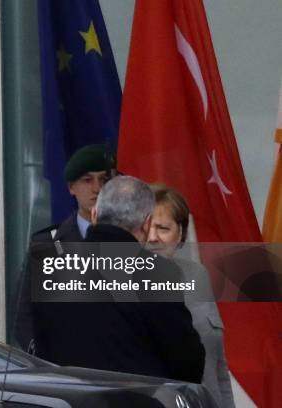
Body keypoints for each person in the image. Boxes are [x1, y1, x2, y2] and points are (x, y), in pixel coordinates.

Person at [31, 176, 205, 383]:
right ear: (147, 223)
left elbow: (41, 356)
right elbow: (188, 363)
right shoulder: (156, 272)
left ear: (94, 215)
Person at [13, 144, 116, 351]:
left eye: (104, 180)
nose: (97, 189)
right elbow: (23, 312)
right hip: (64, 366)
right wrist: (41, 351)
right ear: (71, 187)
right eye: (87, 180)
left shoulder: (129, 238)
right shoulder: (50, 243)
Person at [147, 184, 235, 408]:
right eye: (145, 228)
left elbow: (219, 366)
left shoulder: (197, 274)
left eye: (163, 228)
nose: (152, 237)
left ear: (181, 233)